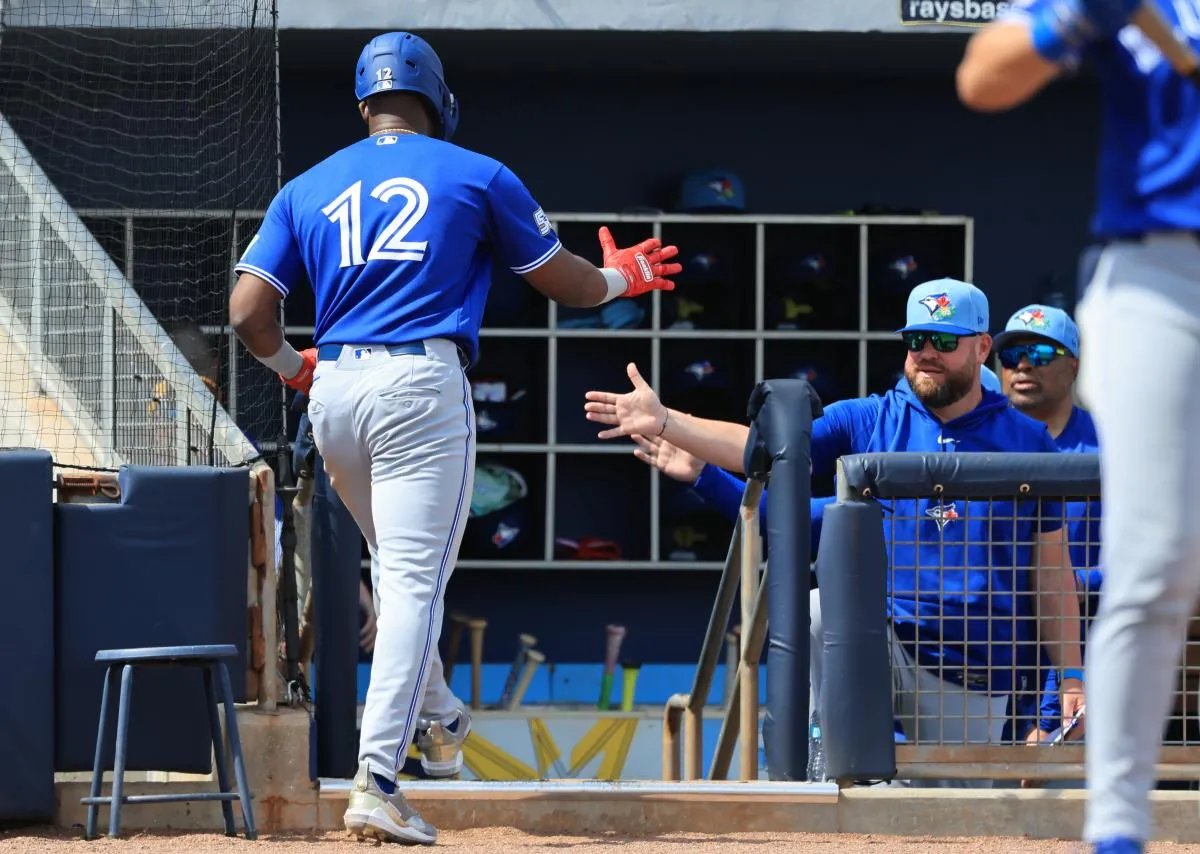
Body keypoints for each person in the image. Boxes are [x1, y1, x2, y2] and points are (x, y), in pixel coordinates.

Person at [227, 31, 681, 845]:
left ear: (365, 103)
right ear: (438, 99)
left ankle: (437, 719)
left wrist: (298, 370)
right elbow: (570, 283)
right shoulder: (476, 171)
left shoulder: (308, 185)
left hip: (334, 393)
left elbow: (245, 315)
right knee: (412, 584)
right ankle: (377, 780)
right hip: (418, 386)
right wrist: (627, 278)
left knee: (399, 575)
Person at [588, 278, 1086, 784]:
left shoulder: (1027, 441)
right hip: (882, 639)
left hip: (970, 667)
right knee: (819, 609)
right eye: (916, 341)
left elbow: (1052, 571)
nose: (927, 354)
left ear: (981, 347)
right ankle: (820, 757)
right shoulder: (872, 417)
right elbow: (765, 447)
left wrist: (1071, 674)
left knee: (948, 814)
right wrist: (667, 420)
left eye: (944, 341)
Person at [957, 2, 1200, 849]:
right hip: (1162, 261)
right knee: (1159, 557)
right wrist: (1073, 20)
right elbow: (982, 77)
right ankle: (1120, 829)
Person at [989, 305, 1101, 779]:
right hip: (992, 632)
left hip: (1090, 624)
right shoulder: (981, 439)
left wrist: (1083, 579)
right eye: (1011, 354)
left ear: (1073, 363)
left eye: (1039, 352)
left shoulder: (1108, 445)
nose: (1023, 365)